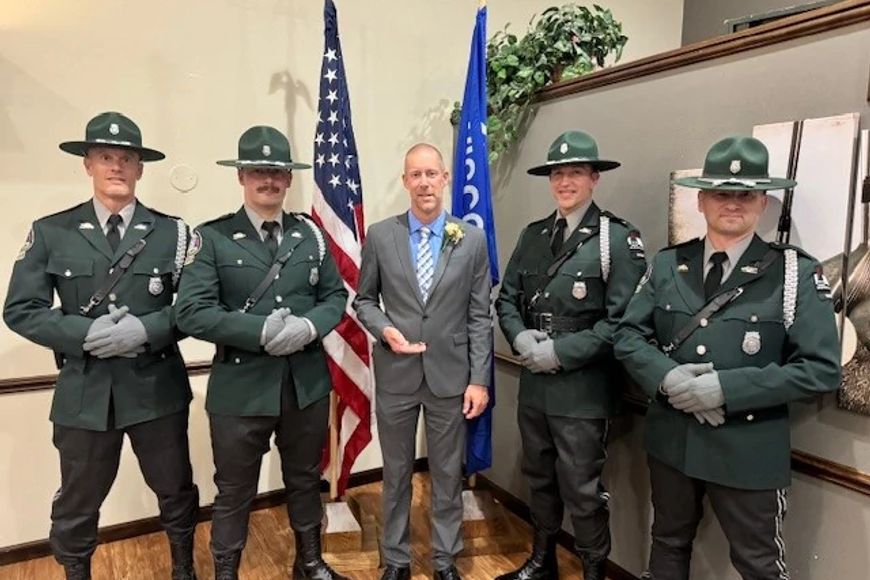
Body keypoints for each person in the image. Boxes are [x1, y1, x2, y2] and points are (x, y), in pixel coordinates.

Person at [614, 136, 842, 580]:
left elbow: (821, 369)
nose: (732, 203)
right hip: (673, 442)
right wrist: (667, 378)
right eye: (721, 193)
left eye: (746, 194)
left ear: (762, 203)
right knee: (666, 547)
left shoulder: (794, 273)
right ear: (701, 201)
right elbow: (627, 335)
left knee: (759, 565)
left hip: (747, 448)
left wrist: (725, 389)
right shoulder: (668, 265)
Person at [3, 111, 199, 580]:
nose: (116, 166)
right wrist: (83, 335)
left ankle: (184, 569)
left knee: (175, 489)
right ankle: (76, 572)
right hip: (85, 392)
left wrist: (146, 330)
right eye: (105, 157)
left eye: (126, 158)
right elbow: (21, 308)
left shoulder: (172, 232)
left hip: (156, 389)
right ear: (87, 164)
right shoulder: (53, 231)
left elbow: (194, 307)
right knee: (78, 499)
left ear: (140, 168)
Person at [174, 126, 348, 580]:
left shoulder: (309, 236)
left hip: (304, 384)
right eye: (257, 171)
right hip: (241, 389)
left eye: (277, 171)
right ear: (241, 177)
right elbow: (191, 312)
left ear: (289, 179)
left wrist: (310, 325)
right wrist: (260, 330)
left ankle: (308, 563)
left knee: (306, 479)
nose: (267, 179)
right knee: (234, 491)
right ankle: (226, 573)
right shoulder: (210, 239)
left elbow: (334, 296)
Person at [495, 130, 647, 580]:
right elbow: (507, 300)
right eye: (557, 174)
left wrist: (561, 353)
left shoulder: (615, 239)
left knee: (581, 489)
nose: (565, 182)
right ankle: (542, 562)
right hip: (535, 386)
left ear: (594, 178)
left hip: (583, 389)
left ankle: (593, 572)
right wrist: (520, 339)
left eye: (575, 173)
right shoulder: (535, 234)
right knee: (538, 476)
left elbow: (623, 323)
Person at [353, 143, 491, 580]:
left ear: (446, 178)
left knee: (447, 473)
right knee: (395, 474)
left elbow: (478, 316)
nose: (425, 182)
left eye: (432, 174)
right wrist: (384, 329)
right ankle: (395, 559)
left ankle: (445, 558)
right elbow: (364, 300)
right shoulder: (380, 235)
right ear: (405, 181)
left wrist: (480, 380)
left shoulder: (470, 239)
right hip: (396, 375)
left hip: (451, 377)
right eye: (416, 175)